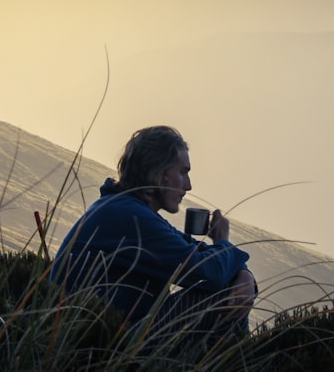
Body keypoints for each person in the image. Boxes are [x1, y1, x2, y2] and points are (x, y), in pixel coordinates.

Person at [49, 125, 257, 343]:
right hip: (97, 346)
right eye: (183, 172)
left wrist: (245, 276)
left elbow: (200, 256)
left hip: (113, 335)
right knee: (220, 296)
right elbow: (208, 273)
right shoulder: (127, 216)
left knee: (228, 289)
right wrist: (222, 241)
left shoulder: (130, 211)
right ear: (158, 172)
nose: (188, 186)